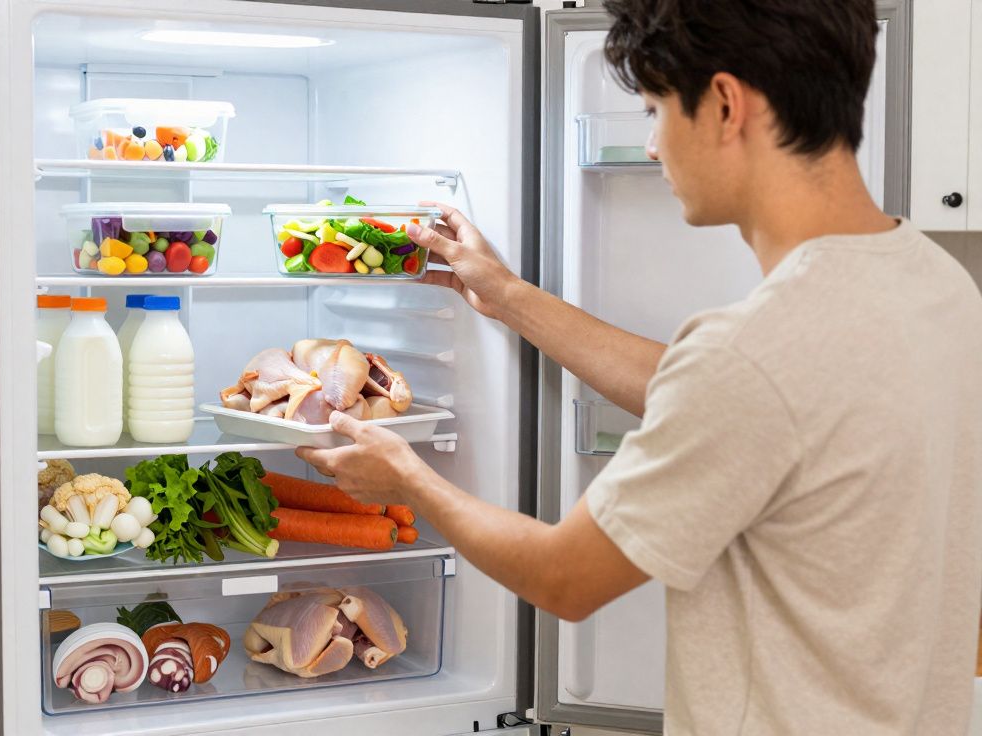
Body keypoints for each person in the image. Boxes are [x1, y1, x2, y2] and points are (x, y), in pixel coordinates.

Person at [296, 0, 982, 733]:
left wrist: (409, 481)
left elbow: (565, 577)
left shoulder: (750, 359)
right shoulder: (938, 287)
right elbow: (736, 405)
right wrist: (509, 298)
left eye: (656, 109)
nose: (653, 146)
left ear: (724, 105)